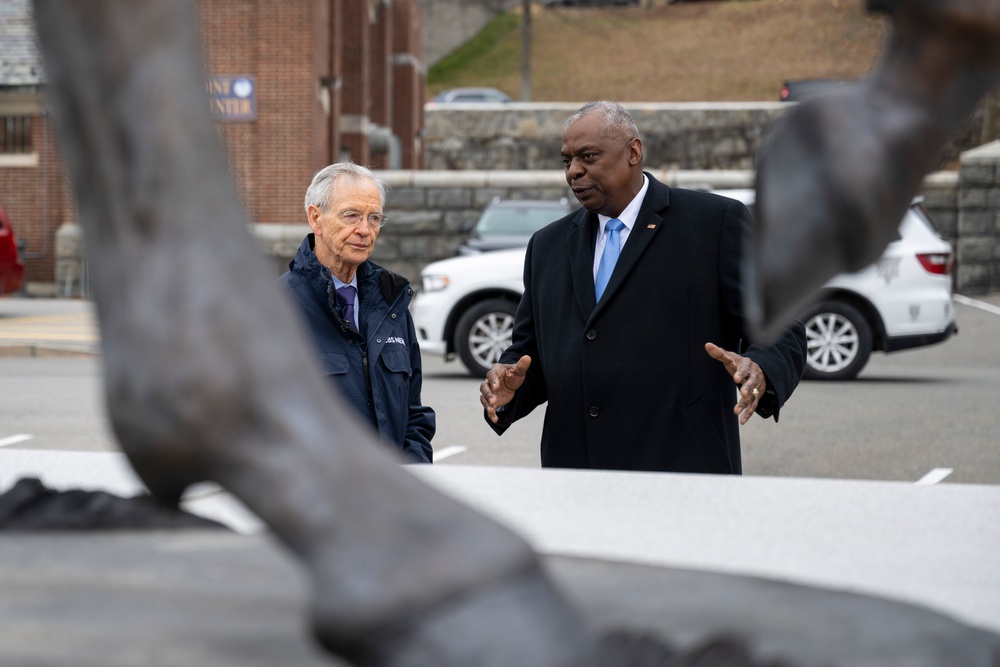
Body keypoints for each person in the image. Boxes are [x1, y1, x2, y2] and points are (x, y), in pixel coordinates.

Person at [480, 101, 807, 474]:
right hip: (576, 476)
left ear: (633, 151)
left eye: (588, 156)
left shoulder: (714, 224)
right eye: (566, 160)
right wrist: (508, 388)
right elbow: (530, 353)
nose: (573, 171)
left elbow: (781, 325)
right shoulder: (547, 246)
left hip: (682, 471)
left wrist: (761, 369)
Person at [279, 162, 435, 464]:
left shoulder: (392, 305)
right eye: (351, 215)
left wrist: (412, 473)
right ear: (316, 218)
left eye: (373, 218)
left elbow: (413, 415)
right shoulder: (277, 309)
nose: (364, 230)